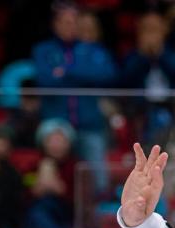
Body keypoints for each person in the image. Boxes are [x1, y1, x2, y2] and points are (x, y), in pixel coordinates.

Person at [32, 2, 117, 195]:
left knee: (99, 180)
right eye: (65, 22)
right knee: (53, 177)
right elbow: (45, 80)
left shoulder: (92, 49)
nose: (70, 26)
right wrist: (84, 76)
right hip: (56, 124)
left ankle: (97, 215)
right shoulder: (43, 50)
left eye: (73, 22)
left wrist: (66, 71)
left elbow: (107, 75)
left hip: (89, 124)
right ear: (55, 24)